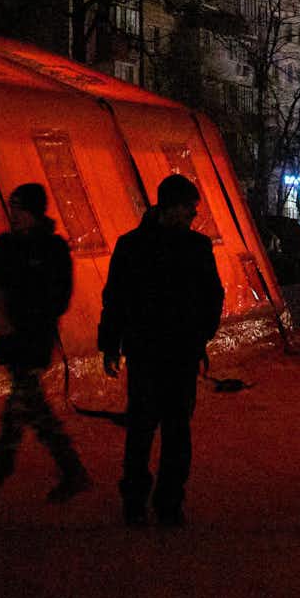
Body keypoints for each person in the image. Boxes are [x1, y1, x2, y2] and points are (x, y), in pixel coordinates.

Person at [97, 173, 223, 526]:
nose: (193, 215)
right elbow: (116, 298)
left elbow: (212, 296)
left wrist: (112, 344)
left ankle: (155, 500)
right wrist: (111, 343)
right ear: (171, 207)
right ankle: (152, 501)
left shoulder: (137, 245)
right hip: (160, 352)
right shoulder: (180, 247)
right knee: (156, 428)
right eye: (189, 208)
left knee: (161, 429)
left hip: (162, 351)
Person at [0, 183, 93, 520]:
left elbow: (59, 298)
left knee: (17, 416)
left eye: (21, 209)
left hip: (33, 341)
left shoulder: (51, 249)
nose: (15, 216)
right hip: (11, 341)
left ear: (36, 212)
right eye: (13, 209)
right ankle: (72, 471)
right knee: (29, 411)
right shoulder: (5, 246)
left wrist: (26, 307)